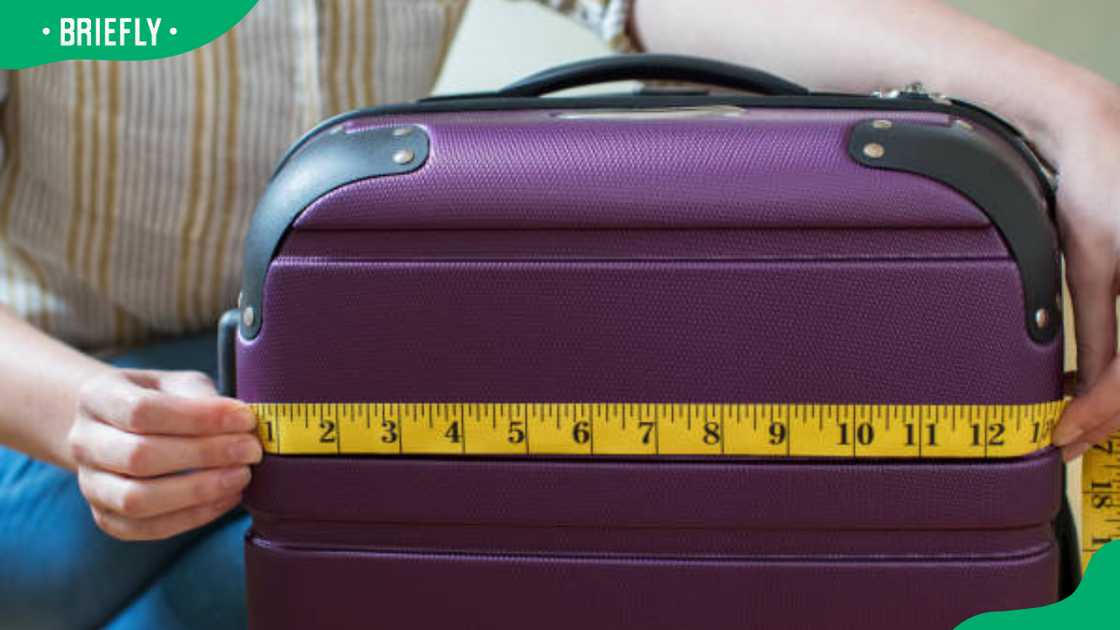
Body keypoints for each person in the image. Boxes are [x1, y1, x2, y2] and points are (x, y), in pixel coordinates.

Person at [0, 0, 1116, 627]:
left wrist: (1080, 111)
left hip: (354, 368)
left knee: (282, 582)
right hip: (60, 365)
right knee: (51, 573)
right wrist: (81, 414)